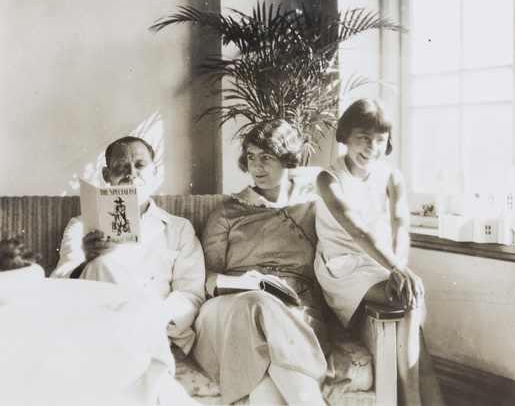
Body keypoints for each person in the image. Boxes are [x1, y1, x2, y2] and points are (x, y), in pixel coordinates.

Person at [51, 136, 206, 403]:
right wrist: (87, 261)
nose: (131, 174)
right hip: (98, 325)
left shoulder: (179, 228)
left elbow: (190, 294)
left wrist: (151, 316)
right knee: (102, 263)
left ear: (154, 172)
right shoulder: (81, 225)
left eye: (139, 165)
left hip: (155, 329)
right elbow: (60, 281)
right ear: (106, 175)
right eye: (121, 167)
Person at [313, 98, 445, 405]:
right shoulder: (327, 179)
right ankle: (412, 399)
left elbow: (400, 226)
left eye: (380, 140)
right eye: (363, 138)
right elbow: (358, 229)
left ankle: (427, 401)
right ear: (344, 136)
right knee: (409, 298)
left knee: (410, 301)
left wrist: (397, 267)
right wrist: (397, 269)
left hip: (381, 262)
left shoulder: (392, 177)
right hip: (342, 267)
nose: (372, 147)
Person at [192, 120, 328, 405]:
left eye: (267, 157)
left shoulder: (312, 206)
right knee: (258, 302)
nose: (257, 166)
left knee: (267, 389)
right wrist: (246, 285)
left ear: (288, 158)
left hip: (295, 312)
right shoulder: (228, 211)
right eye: (251, 157)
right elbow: (205, 277)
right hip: (228, 312)